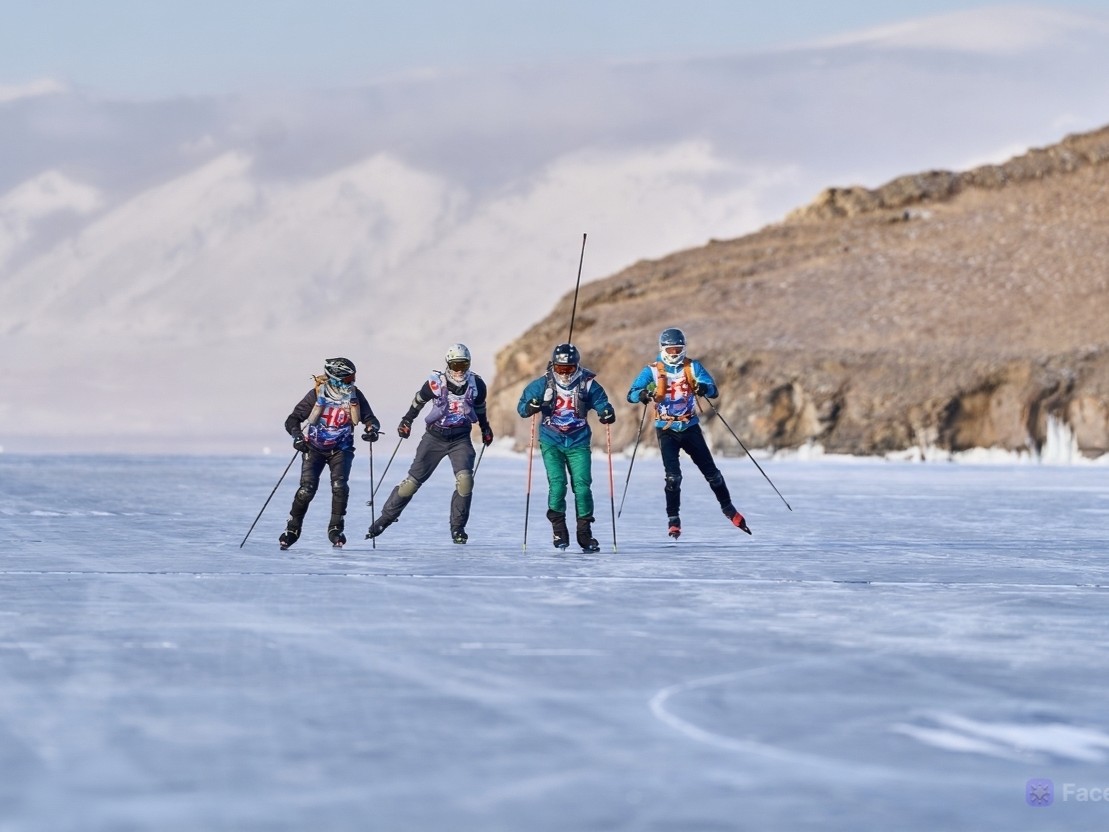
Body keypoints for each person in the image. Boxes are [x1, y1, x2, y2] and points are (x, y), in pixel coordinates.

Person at [626, 327, 751, 539]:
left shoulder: (692, 367)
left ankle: (729, 509)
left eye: (678, 349)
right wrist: (643, 394)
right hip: (666, 429)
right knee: (673, 478)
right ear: (663, 349)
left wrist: (703, 388)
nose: (674, 354)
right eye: (671, 350)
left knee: (713, 474)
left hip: (690, 426)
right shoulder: (652, 371)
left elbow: (713, 389)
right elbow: (631, 394)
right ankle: (673, 520)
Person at [365, 344, 493, 544]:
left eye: (464, 365)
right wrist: (406, 421)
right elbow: (418, 401)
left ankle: (458, 529)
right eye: (456, 365)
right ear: (448, 364)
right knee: (411, 484)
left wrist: (485, 428)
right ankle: (384, 519)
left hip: (460, 439)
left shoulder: (477, 384)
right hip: (434, 438)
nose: (459, 370)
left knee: (465, 482)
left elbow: (480, 408)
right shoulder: (436, 383)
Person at [518, 343, 615, 553]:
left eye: (569, 369)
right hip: (551, 440)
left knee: (582, 486)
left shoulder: (588, 384)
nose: (564, 374)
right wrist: (532, 405)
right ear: (553, 366)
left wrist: (606, 412)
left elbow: (602, 402)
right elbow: (522, 408)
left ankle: (585, 534)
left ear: (577, 366)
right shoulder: (543, 384)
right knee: (558, 484)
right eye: (560, 369)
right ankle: (559, 530)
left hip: (578, 441)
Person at [281, 357, 380, 549]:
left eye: (353, 377)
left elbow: (370, 419)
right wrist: (297, 436)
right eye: (349, 378)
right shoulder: (316, 394)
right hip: (314, 448)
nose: (353, 381)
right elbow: (292, 419)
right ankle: (292, 528)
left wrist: (372, 430)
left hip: (342, 449)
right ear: (336, 378)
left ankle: (336, 528)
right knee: (307, 489)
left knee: (340, 487)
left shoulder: (355, 395)